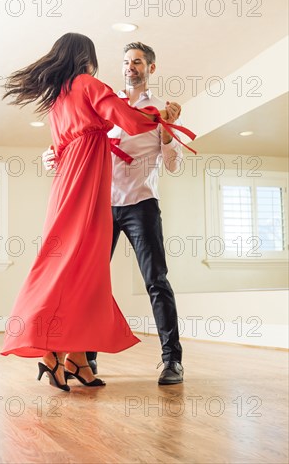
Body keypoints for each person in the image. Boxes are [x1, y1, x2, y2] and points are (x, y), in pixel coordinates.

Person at [0, 33, 170, 392]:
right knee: (73, 267)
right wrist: (161, 116)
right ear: (85, 58)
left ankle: (77, 359)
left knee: (84, 270)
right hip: (85, 190)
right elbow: (130, 120)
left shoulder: (58, 99)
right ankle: (49, 352)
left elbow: (58, 151)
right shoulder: (87, 83)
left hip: (68, 185)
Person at [44, 42, 188, 385]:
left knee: (156, 281)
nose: (130, 67)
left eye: (137, 62)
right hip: (101, 205)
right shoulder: (101, 102)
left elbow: (174, 164)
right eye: (126, 61)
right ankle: (84, 359)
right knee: (87, 282)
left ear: (150, 68)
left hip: (141, 203)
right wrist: (52, 157)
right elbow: (78, 142)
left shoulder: (159, 111)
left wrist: (167, 134)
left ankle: (173, 361)